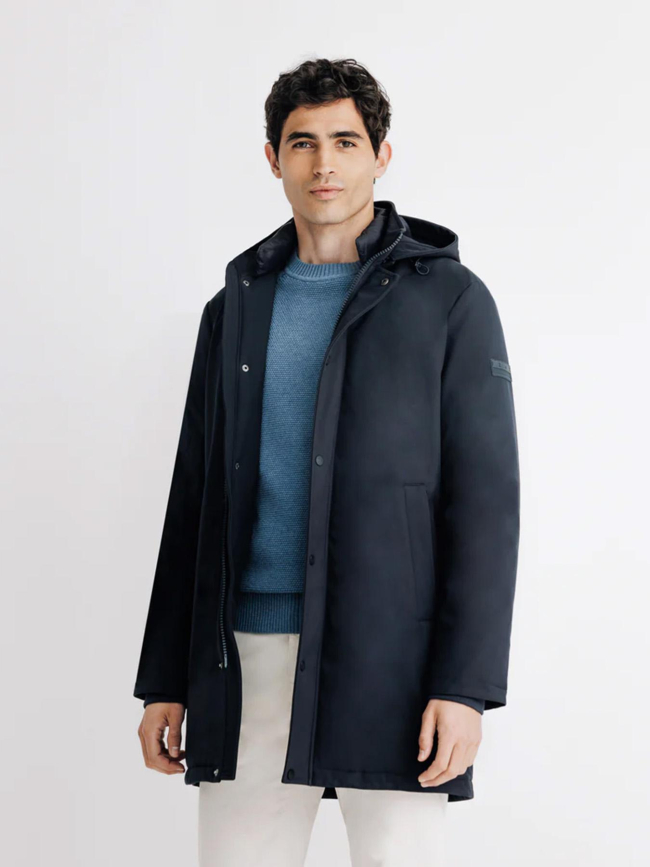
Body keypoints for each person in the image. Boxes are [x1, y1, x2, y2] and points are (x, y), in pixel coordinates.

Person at [134, 57, 520, 867]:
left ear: (382, 155)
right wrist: (164, 677)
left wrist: (465, 684)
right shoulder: (234, 309)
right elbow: (194, 495)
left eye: (345, 141)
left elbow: (485, 504)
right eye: (302, 142)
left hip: (391, 659)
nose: (324, 164)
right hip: (247, 657)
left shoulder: (451, 301)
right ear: (273, 158)